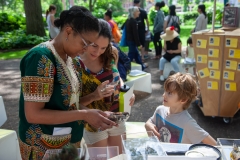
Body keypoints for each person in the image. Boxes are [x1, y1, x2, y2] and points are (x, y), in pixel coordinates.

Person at [19, 6, 116, 160]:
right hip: (44, 147)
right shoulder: (41, 58)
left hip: (69, 143)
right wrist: (84, 114)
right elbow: (33, 114)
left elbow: (69, 105)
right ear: (69, 32)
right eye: (84, 43)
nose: (85, 50)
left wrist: (97, 113)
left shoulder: (73, 62)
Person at [78, 19, 135, 153]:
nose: (98, 52)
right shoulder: (77, 62)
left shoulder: (112, 52)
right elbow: (73, 103)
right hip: (95, 122)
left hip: (117, 116)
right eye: (95, 46)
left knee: (119, 156)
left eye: (103, 47)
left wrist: (125, 90)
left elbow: (117, 76)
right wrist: (94, 96)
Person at [145, 73, 217, 145]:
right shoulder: (159, 110)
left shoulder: (187, 123)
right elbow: (150, 121)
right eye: (165, 91)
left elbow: (215, 145)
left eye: (169, 93)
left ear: (183, 100)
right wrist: (148, 125)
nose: (164, 95)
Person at [126, 6, 148, 70]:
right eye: (138, 11)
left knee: (136, 55)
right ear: (134, 12)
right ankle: (125, 68)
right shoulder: (134, 22)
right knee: (131, 56)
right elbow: (135, 34)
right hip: (132, 41)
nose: (139, 12)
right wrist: (139, 44)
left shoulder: (128, 20)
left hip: (129, 40)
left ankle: (142, 66)